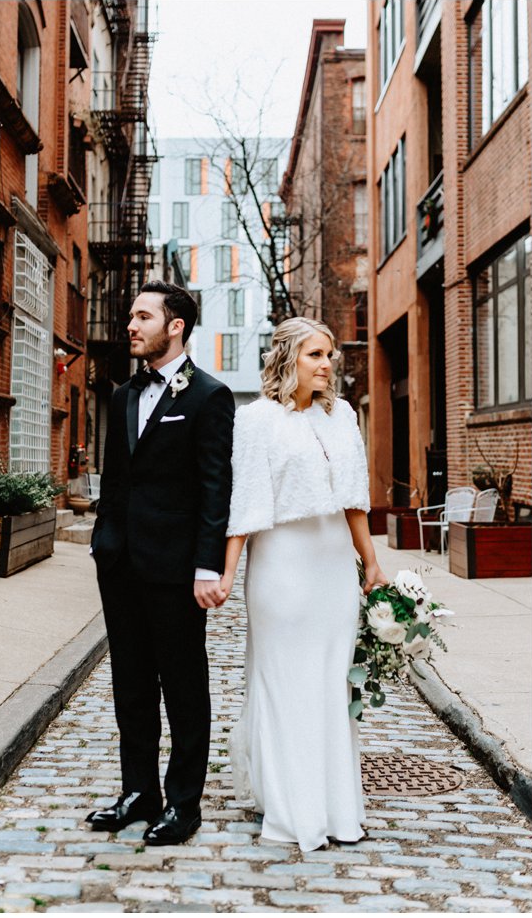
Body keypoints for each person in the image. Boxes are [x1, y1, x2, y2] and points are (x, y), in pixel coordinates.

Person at [219, 317, 378, 852]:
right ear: (287, 358)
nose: (327, 364)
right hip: (281, 567)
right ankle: (292, 811)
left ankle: (337, 809)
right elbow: (247, 501)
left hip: (333, 567)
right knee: (287, 683)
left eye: (329, 354)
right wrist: (226, 571)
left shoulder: (344, 418)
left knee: (330, 686)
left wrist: (371, 564)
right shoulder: (257, 420)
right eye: (315, 354)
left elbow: (355, 498)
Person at [86, 281, 235, 846]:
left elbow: (215, 488)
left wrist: (207, 566)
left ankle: (183, 804)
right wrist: (104, 541)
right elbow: (119, 479)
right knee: (130, 684)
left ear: (175, 326)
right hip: (120, 563)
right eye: (130, 316)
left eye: (143, 316)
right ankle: (138, 792)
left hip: (175, 570)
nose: (131, 325)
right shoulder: (124, 394)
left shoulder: (209, 396)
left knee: (183, 685)